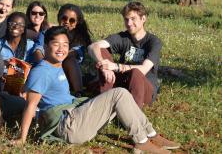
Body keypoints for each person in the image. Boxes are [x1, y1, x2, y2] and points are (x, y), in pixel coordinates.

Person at [13, 26, 180, 153]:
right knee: (119, 94)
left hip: (74, 116)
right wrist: (22, 138)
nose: (61, 49)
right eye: (55, 44)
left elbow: (28, 90)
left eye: (65, 44)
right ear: (45, 45)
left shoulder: (55, 65)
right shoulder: (42, 71)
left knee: (122, 96)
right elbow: (30, 106)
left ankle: (150, 134)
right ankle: (141, 142)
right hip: (68, 127)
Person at [88, 1, 162, 108]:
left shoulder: (153, 41)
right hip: (124, 84)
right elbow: (93, 46)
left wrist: (117, 67)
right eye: (126, 19)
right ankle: (103, 105)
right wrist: (103, 65)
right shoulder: (123, 37)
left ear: (143, 19)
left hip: (144, 89)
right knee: (102, 51)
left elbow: (144, 69)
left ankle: (133, 113)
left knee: (136, 72)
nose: (129, 23)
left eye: (133, 19)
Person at [35, 4, 92, 95]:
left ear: (77, 23)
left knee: (71, 61)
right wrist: (44, 65)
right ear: (59, 18)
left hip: (65, 71)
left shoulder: (79, 38)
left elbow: (74, 53)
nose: (67, 22)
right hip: (45, 67)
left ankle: (79, 93)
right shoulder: (47, 32)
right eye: (64, 18)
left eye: (72, 20)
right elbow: (38, 50)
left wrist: (54, 56)